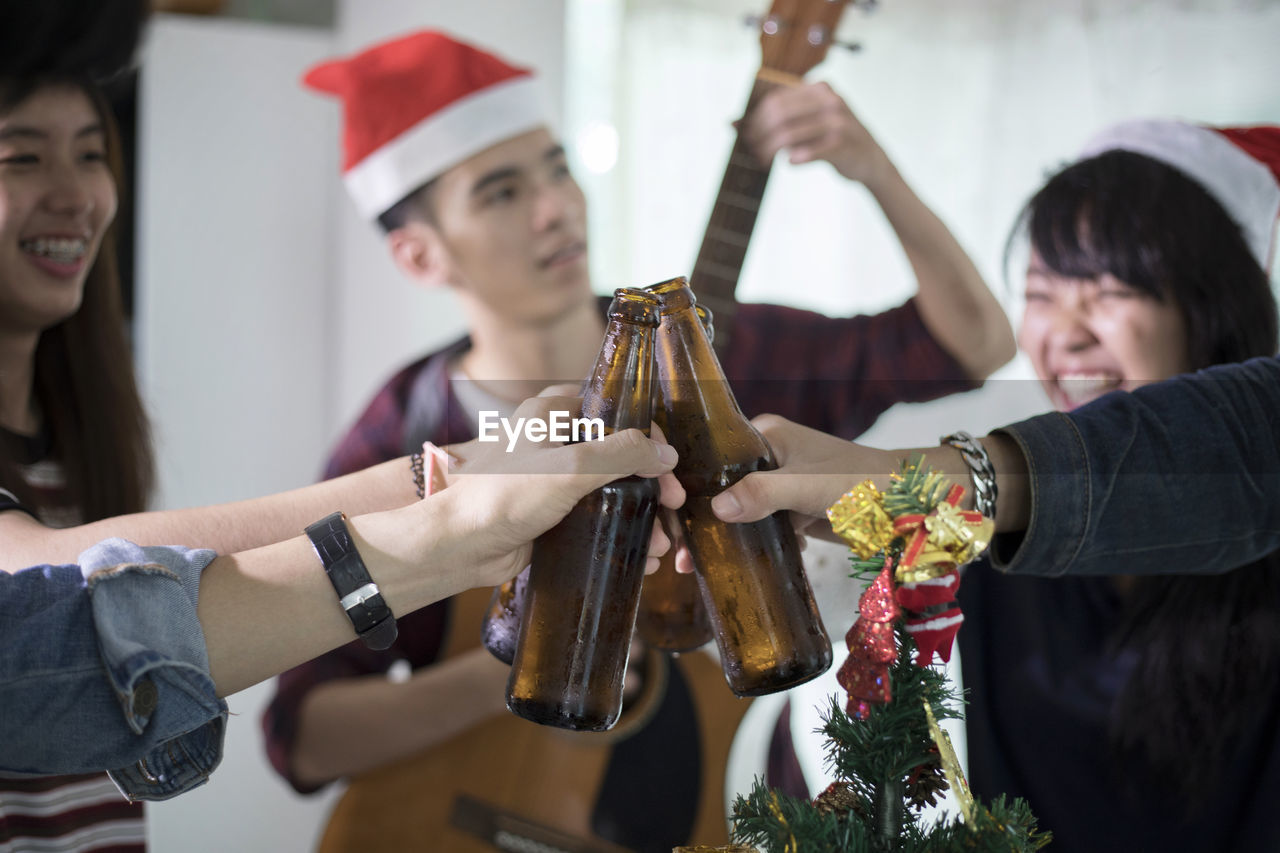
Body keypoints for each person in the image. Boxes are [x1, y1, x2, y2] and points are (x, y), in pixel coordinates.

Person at [260, 29, 1015, 847]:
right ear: (419, 254)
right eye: (503, 192)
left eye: (557, 168)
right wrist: (525, 659)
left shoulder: (716, 370)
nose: (556, 207)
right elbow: (303, 734)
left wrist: (871, 166)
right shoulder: (407, 438)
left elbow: (972, 345)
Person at [0, 27, 680, 851]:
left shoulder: (75, 435)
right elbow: (55, 596)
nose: (77, 196)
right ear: (419, 253)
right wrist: (455, 484)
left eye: (91, 154)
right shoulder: (407, 421)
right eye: (22, 158)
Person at [709, 119, 1280, 851]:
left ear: (1215, 310)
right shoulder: (956, 577)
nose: (1064, 331)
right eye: (1041, 292)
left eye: (1111, 290)